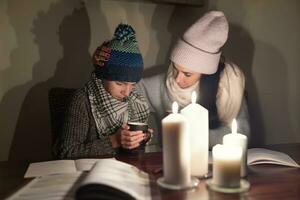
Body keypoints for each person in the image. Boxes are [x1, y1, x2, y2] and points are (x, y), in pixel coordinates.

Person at [140, 11, 250, 148]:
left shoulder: (230, 89)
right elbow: (126, 93)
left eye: (187, 74)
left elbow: (242, 136)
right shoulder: (162, 84)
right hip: (170, 165)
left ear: (205, 73)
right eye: (175, 68)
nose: (177, 79)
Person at [56, 24, 151, 159]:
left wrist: (142, 138)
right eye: (119, 83)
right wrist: (115, 140)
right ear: (103, 76)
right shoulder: (83, 100)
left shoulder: (136, 102)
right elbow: (66, 152)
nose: (127, 92)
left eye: (133, 85)